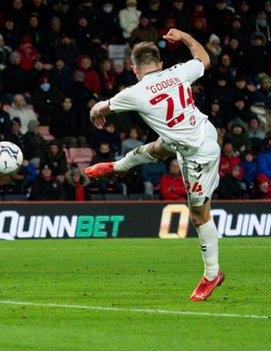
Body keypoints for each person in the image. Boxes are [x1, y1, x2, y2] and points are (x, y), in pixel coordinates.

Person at [86, 29, 224, 301]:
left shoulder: (134, 92)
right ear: (160, 63)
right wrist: (184, 36)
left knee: (199, 214)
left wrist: (95, 116)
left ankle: (212, 274)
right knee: (161, 146)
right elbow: (205, 58)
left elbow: (97, 110)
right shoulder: (179, 72)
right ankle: (118, 166)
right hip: (203, 132)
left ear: (133, 68)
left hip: (197, 154)